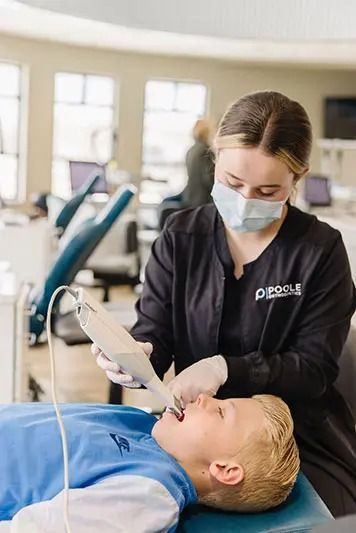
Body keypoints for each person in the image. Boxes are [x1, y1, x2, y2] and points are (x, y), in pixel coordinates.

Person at [94, 91, 356, 517]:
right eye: (233, 184)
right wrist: (134, 360)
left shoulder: (320, 251)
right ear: (215, 162)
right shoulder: (181, 237)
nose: (246, 199)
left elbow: (315, 371)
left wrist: (225, 368)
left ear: (298, 177)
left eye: (268, 190)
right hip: (196, 435)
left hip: (294, 438)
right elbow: (154, 335)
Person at [0, 394, 299, 532]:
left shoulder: (150, 496)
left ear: (225, 470)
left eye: (221, 412)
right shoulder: (143, 424)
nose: (206, 397)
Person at [181, 118, 215, 208]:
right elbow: (208, 179)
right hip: (202, 200)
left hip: (190, 196)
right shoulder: (205, 151)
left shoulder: (191, 150)